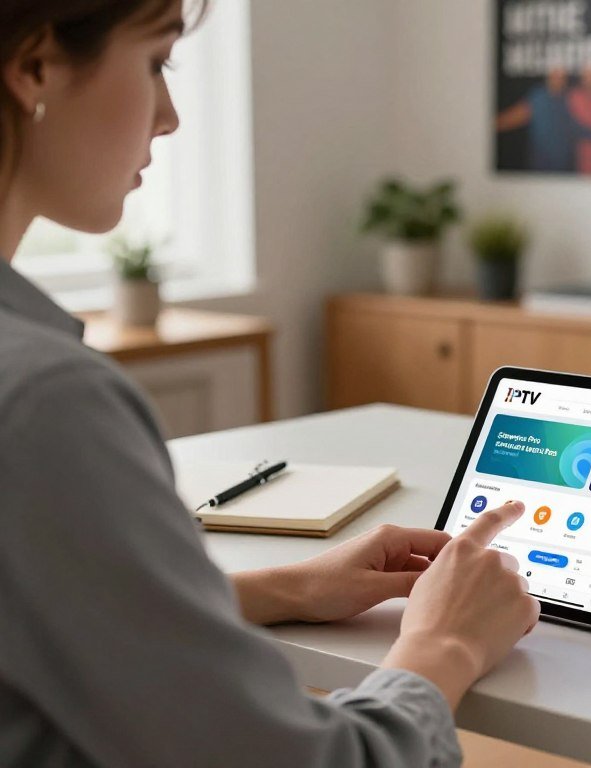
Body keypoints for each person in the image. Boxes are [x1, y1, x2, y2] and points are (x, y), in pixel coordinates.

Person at [0, 2, 540, 767]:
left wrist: (284, 589)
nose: (171, 116)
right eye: (157, 62)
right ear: (34, 68)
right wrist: (444, 643)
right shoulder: (45, 404)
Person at [495, 67, 577, 173]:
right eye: (554, 73)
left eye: (562, 75)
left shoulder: (571, 98)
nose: (558, 78)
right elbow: (509, 119)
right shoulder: (538, 97)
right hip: (540, 169)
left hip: (564, 170)